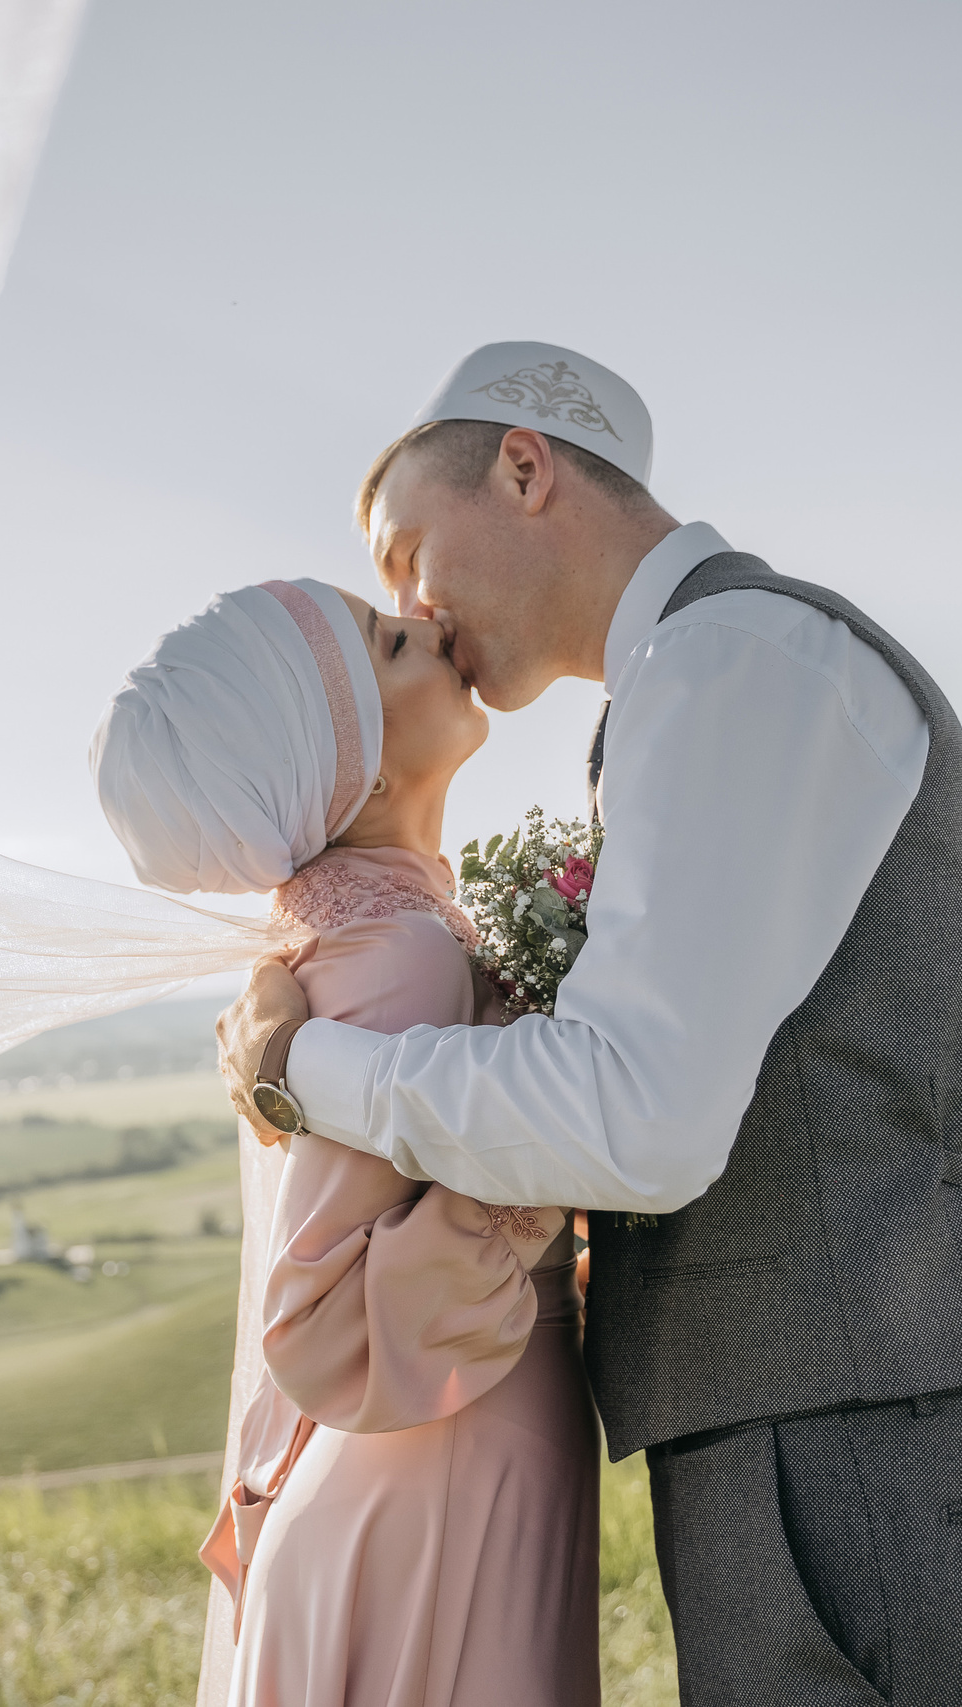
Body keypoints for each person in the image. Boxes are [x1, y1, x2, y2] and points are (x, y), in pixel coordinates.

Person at [212, 344, 962, 1706]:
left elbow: (639, 1115)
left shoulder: (734, 659)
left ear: (524, 464)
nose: (414, 605)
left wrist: (300, 1068)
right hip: (817, 1440)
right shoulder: (696, 677)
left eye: (408, 552)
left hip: (870, 1444)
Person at [92, 578, 600, 1706]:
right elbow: (322, 1316)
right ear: (355, 757)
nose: (428, 623)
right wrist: (553, 1175)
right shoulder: (401, 954)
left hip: (440, 1450)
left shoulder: (361, 936)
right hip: (440, 1465)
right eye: (389, 640)